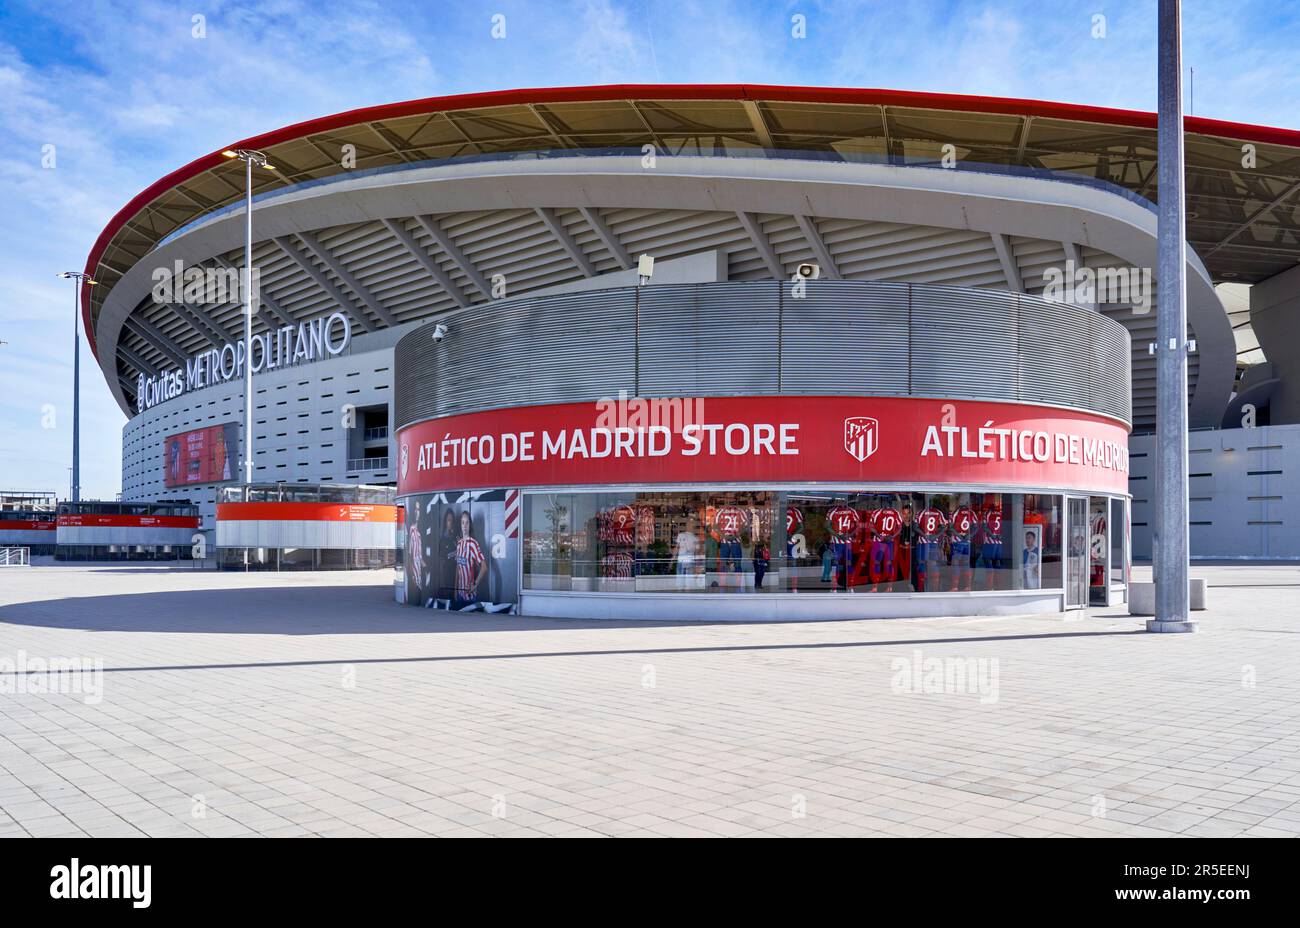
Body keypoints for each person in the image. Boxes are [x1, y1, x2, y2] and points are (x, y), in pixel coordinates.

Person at [452, 509, 487, 609]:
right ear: (460, 525)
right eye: (462, 522)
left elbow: (484, 567)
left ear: (470, 525)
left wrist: (475, 585)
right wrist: (455, 590)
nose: (464, 525)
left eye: (467, 522)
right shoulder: (459, 544)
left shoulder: (473, 544)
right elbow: (458, 568)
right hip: (459, 594)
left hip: (470, 595)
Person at [672, 518, 700, 591]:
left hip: (684, 558)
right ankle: (685, 591)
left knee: (683, 576)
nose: (690, 526)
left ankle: (683, 590)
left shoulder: (694, 538)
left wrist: (671, 560)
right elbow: (677, 548)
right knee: (686, 577)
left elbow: (677, 548)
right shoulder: (694, 538)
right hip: (687, 558)